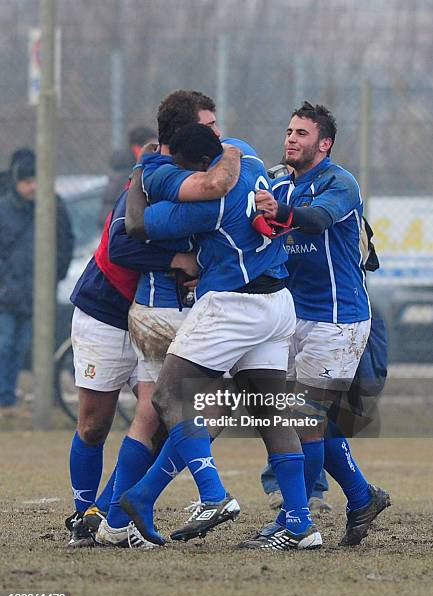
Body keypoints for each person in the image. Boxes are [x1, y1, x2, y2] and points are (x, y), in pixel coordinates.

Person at [120, 123, 322, 551]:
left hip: (234, 307)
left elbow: (136, 225)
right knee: (270, 415)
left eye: (185, 171)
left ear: (196, 165)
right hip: (277, 302)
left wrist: (141, 171)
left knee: (168, 397)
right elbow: (230, 147)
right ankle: (301, 522)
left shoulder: (206, 204)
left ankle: (212, 493)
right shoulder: (246, 154)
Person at [66, 91, 241, 548]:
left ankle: (109, 513)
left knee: (158, 411)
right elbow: (121, 246)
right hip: (106, 310)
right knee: (93, 424)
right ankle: (83, 511)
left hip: (153, 314)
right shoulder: (145, 180)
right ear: (178, 136)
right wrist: (179, 258)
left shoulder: (196, 176)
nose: (217, 134)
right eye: (209, 124)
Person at [246, 101, 390, 548]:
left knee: (304, 419)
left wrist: (276, 213)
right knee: (306, 420)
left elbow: (317, 220)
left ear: (324, 144)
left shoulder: (339, 183)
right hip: (293, 317)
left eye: (302, 133)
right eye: (289, 131)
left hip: (338, 320)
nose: (291, 139)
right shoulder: (276, 180)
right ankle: (362, 497)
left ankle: (296, 522)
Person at [0, 151, 73, 409]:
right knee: (5, 344)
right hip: (7, 293)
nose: (32, 187)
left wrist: (55, 275)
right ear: (16, 183)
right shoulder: (5, 210)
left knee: (24, 347)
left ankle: (39, 397)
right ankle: (5, 396)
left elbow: (65, 242)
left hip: (37, 292)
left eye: (35, 180)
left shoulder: (53, 206)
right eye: (27, 181)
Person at [100, 126, 157, 224]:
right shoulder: (131, 174)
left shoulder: (121, 169)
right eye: (152, 147)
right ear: (138, 149)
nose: (156, 152)